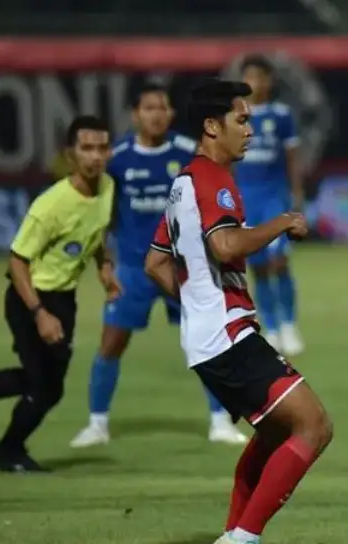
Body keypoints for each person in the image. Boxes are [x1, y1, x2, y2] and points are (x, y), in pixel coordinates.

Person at [144, 79, 331, 544]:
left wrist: (197, 306)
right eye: (242, 120)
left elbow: (156, 263)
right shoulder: (212, 179)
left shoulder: (184, 181)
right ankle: (243, 538)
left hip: (210, 334)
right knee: (313, 425)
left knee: (273, 432)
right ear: (212, 126)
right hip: (227, 333)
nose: (251, 130)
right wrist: (282, 222)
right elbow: (226, 247)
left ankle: (235, 536)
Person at [70, 83, 248, 449]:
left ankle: (220, 421)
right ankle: (97, 423)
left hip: (185, 268)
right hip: (133, 270)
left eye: (163, 107)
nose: (157, 114)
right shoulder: (116, 158)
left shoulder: (190, 155)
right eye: (149, 107)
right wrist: (105, 263)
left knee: (209, 343)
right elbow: (100, 215)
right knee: (111, 344)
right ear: (135, 113)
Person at [0, 116, 121, 473]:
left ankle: (8, 448)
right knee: (41, 385)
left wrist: (104, 268)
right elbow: (17, 261)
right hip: (30, 299)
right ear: (70, 155)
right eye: (87, 148)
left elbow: (96, 231)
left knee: (48, 388)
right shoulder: (50, 205)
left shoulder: (107, 187)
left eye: (101, 147)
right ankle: (8, 451)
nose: (95, 156)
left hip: (63, 301)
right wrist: (40, 313)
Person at [234, 55, 306, 356]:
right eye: (250, 77)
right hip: (245, 198)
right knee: (259, 266)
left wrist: (297, 192)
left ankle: (289, 324)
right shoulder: (234, 116)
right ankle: (272, 327)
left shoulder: (281, 115)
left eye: (261, 77)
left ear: (269, 81)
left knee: (279, 261)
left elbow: (291, 157)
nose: (256, 83)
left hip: (274, 197)